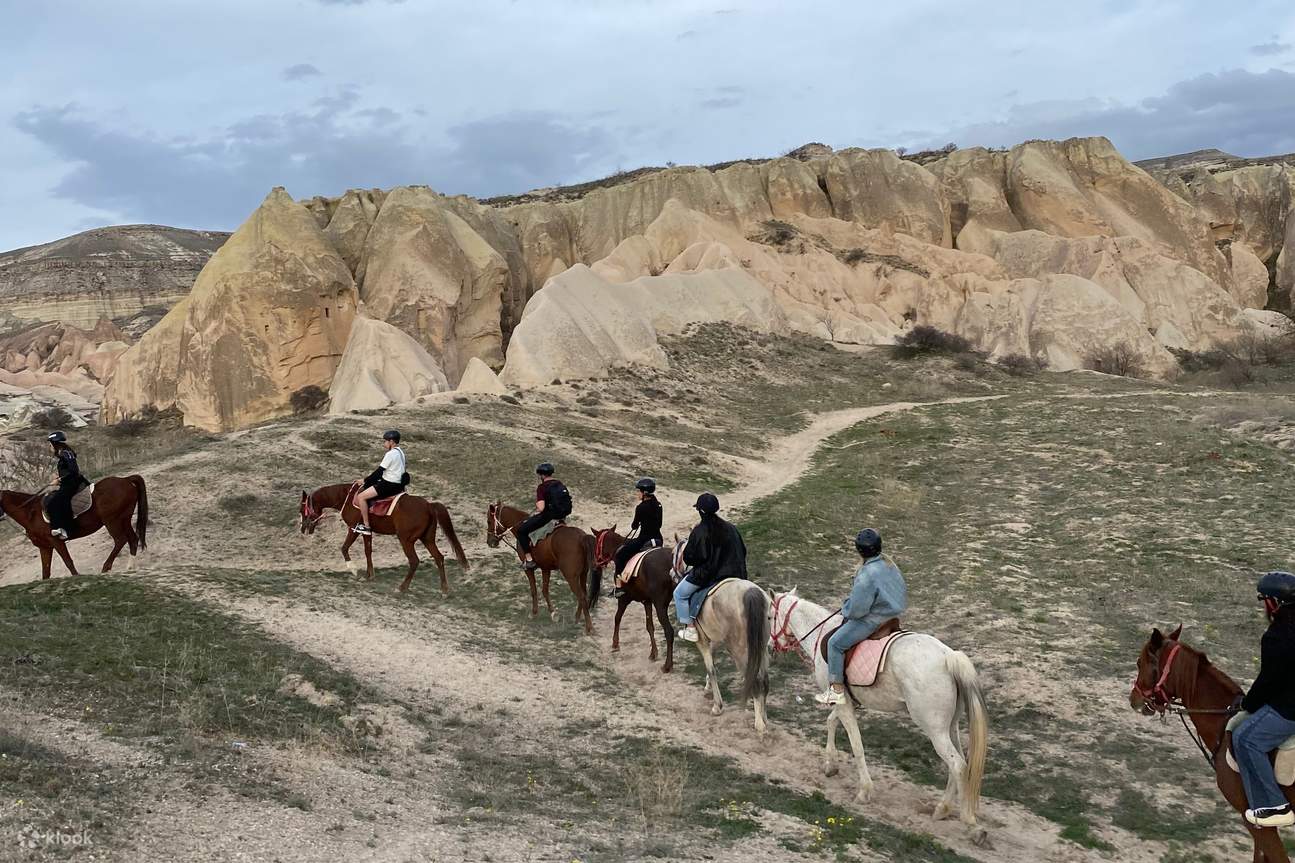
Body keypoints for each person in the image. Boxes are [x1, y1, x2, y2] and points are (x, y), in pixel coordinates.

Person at [816, 529, 908, 705]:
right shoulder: (890, 564)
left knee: (834, 644)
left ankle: (836, 690)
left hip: (873, 621)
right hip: (893, 616)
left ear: (859, 551)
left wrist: (846, 608)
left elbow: (857, 611)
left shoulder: (867, 574)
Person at [1234, 571, 1295, 828]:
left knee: (1245, 738)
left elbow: (1269, 681)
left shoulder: (1278, 635)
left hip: (1290, 707)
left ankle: (1273, 806)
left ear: (1272, 603)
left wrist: (1247, 705)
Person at [675, 492, 747, 643]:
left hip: (709, 575)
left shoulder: (699, 531)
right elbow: (743, 550)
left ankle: (690, 628)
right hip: (737, 573)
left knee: (679, 594)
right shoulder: (731, 528)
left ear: (700, 511)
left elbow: (690, 558)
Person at [611, 478, 664, 595]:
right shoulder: (659, 505)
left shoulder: (641, 508)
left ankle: (619, 586)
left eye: (639, 491)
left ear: (644, 493)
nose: (637, 493)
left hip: (644, 539)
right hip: (658, 539)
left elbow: (634, 526)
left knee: (620, 555)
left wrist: (637, 523)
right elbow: (659, 524)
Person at [517, 463, 572, 571]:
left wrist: (538, 506)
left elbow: (541, 508)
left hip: (549, 517)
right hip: (562, 516)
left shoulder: (542, 487)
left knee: (521, 531)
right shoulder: (559, 484)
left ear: (542, 475)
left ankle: (529, 560)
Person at [353, 430, 406, 535]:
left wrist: (365, 480)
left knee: (361, 497)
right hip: (398, 484)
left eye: (385, 441)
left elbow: (379, 472)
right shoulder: (400, 452)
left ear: (391, 442)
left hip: (389, 484)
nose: (384, 444)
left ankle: (366, 526)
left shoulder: (390, 454)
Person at [44, 431, 86, 541]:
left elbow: (74, 470)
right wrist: (59, 476)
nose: (49, 447)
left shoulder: (66, 454)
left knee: (54, 502)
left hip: (72, 483)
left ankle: (65, 529)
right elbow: (67, 470)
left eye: (50, 444)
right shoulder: (64, 453)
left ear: (55, 444)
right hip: (68, 482)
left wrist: (59, 479)